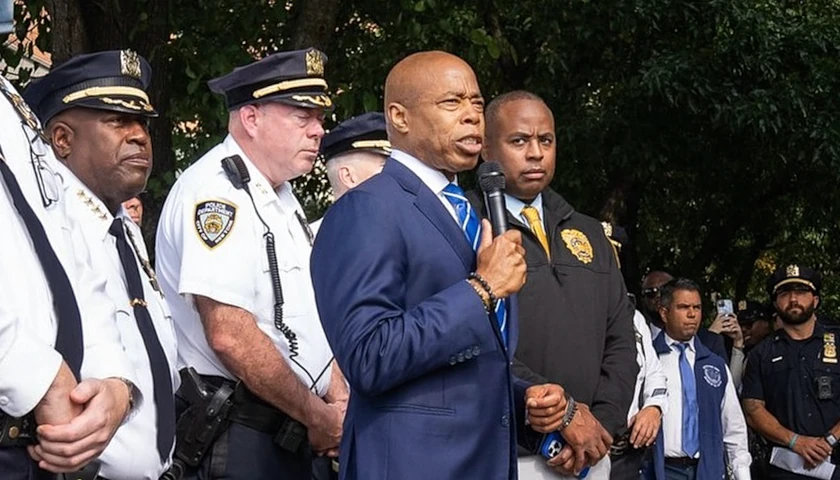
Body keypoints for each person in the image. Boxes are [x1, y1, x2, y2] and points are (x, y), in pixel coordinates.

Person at [311, 51, 566, 480]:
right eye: (452, 104)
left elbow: (459, 368)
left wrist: (523, 401)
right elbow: (369, 356)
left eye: (477, 104)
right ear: (400, 117)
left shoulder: (467, 209)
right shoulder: (367, 209)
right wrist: (481, 289)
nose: (471, 117)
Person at [156, 48, 347, 479]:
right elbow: (230, 335)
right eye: (303, 117)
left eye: (319, 118)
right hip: (240, 434)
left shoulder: (281, 196)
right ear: (251, 119)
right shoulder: (216, 195)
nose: (318, 130)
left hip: (288, 431)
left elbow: (306, 320)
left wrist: (335, 402)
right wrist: (317, 413)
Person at [24, 49, 180, 479]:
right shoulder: (47, 227)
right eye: (117, 121)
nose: (140, 136)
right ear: (62, 139)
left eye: (143, 123)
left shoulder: (122, 228)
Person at [467, 90, 636, 478]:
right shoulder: (468, 226)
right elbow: (479, 339)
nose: (535, 153)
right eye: (519, 141)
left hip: (592, 451)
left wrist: (600, 424)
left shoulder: (590, 232)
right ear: (486, 150)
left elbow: (621, 338)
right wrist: (562, 418)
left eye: (546, 140)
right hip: (511, 454)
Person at [0, 6, 139, 478]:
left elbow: (72, 265)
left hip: (43, 446)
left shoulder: (12, 110)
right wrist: (40, 377)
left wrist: (115, 384)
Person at [742, 264, 840, 479]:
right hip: (784, 468)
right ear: (776, 303)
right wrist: (796, 441)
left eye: (802, 292)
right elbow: (753, 410)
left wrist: (830, 440)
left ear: (815, 299)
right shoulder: (761, 354)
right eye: (785, 294)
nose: (794, 299)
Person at [649, 278, 751, 480]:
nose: (692, 314)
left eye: (697, 307)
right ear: (664, 313)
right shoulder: (649, 359)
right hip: (661, 470)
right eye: (683, 307)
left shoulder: (714, 363)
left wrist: (742, 475)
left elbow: (734, 427)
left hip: (707, 469)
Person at [601, 224, 668, 480]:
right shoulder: (561, 309)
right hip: (580, 448)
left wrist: (653, 407)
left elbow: (653, 372)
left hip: (626, 455)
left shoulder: (634, 317)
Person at [310, 111, 389, 234]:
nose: (397, 174)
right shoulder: (305, 246)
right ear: (348, 177)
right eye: (385, 167)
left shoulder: (411, 237)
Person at [641, 270, 728, 361]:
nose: (659, 295)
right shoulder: (636, 339)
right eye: (651, 292)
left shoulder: (711, 341)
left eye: (665, 290)